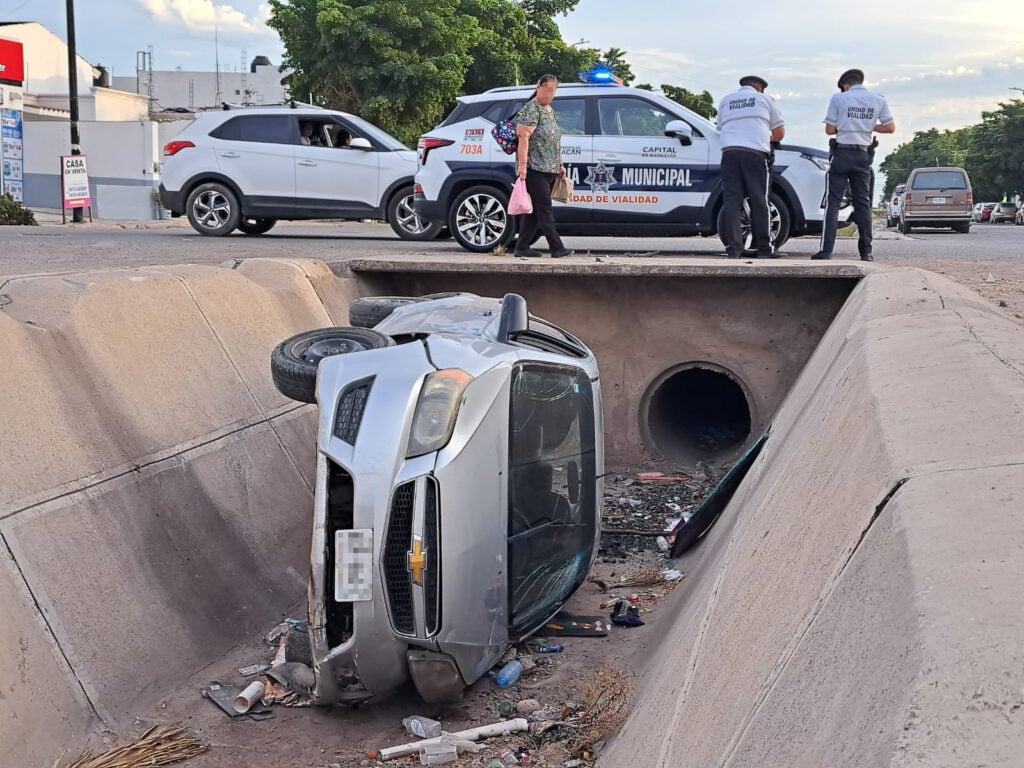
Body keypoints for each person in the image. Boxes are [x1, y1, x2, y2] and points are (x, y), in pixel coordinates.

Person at [814, 69, 895, 261]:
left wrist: (847, 122)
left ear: (845, 85)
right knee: (863, 204)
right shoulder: (878, 99)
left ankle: (826, 251)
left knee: (833, 203)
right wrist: (867, 125)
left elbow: (829, 129)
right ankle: (866, 251)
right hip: (863, 155)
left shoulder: (839, 99)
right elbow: (890, 127)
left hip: (842, 153)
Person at [716, 75, 786, 259]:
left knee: (732, 200)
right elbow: (779, 134)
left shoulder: (726, 100)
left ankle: (734, 249)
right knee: (759, 199)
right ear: (760, 88)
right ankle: (764, 248)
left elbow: (720, 128)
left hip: (729, 153)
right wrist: (764, 136)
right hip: (754, 154)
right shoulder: (764, 100)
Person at [513, 74, 573, 258]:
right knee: (545, 207)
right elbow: (523, 137)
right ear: (538, 87)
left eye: (553, 90)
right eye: (547, 89)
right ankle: (556, 247)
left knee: (535, 212)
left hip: (550, 168)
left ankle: (521, 247)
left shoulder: (549, 110)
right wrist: (522, 167)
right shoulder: (532, 109)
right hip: (534, 169)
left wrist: (560, 163)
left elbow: (553, 141)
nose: (550, 94)